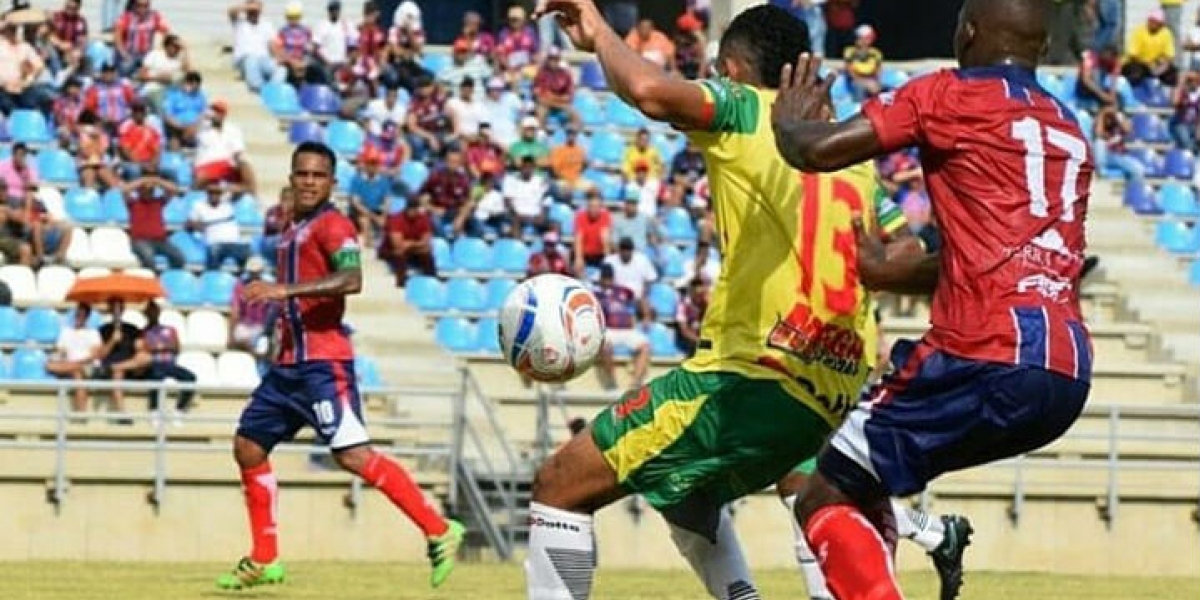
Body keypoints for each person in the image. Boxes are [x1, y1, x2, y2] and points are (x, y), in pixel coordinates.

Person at [522, 4, 879, 599]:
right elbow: (890, 256)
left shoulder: (745, 108)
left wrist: (596, 28)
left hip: (750, 379)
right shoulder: (850, 157)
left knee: (560, 483)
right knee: (686, 493)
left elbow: (647, 91)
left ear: (732, 69)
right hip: (826, 393)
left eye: (717, 69)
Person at [769, 0, 1094, 598]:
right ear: (1041, 48)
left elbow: (816, 151)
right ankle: (921, 546)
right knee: (863, 478)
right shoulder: (1068, 128)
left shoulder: (947, 95)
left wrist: (787, 121)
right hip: (1065, 372)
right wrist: (890, 275)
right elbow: (1002, 259)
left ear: (967, 32)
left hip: (983, 353)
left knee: (823, 490)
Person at [215, 141, 463, 590]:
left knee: (352, 455)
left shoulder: (334, 226)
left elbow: (352, 279)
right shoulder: (293, 229)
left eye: (318, 175)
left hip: (323, 365)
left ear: (332, 181)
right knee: (248, 447)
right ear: (291, 178)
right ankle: (265, 558)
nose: (309, 181)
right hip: (288, 366)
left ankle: (439, 528)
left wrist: (282, 292)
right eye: (302, 173)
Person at [46, 304, 103, 416]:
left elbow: (93, 356)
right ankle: (81, 414)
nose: (79, 317)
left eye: (82, 315)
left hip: (87, 366)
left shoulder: (93, 333)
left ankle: (80, 414)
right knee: (54, 365)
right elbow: (60, 351)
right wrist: (57, 356)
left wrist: (75, 363)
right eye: (78, 314)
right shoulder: (66, 332)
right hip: (70, 365)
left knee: (77, 372)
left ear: (87, 316)